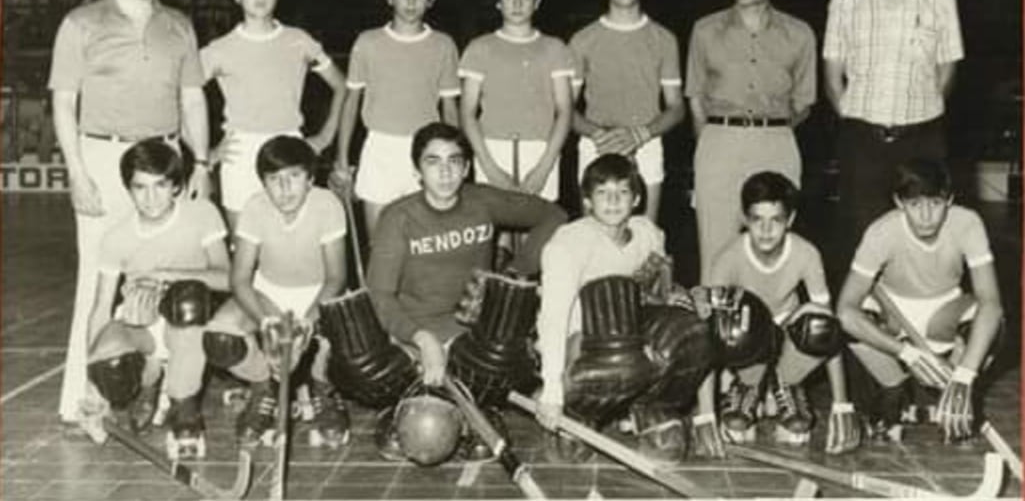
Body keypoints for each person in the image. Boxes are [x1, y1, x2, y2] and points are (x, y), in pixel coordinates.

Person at [49, 0, 211, 425]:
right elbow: (63, 102)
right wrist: (76, 172)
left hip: (165, 162)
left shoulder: (180, 25)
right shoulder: (81, 22)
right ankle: (83, 398)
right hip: (102, 158)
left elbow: (192, 99)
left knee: (170, 281)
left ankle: (166, 396)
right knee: (97, 281)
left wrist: (201, 163)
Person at [350, 122, 566, 461]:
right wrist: (421, 339)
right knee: (363, 366)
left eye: (454, 161)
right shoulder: (398, 217)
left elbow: (553, 215)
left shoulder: (481, 201)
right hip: (413, 337)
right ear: (417, 169)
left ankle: (471, 405)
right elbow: (379, 295)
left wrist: (511, 275)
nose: (445, 171)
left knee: (505, 347)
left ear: (467, 167)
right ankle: (411, 404)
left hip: (470, 336)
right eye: (433, 161)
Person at [535, 153, 711, 462]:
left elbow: (658, 292)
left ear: (637, 198)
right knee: (611, 311)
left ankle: (650, 407)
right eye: (602, 192)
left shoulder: (648, 234)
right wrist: (552, 391)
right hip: (577, 348)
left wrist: (679, 297)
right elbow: (553, 319)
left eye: (623, 192)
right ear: (587, 201)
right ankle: (581, 412)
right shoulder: (567, 244)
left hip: (627, 343)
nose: (613, 201)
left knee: (691, 331)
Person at [823, 0, 964, 288]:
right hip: (862, 142)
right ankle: (864, 333)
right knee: (861, 243)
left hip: (923, 137)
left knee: (925, 239)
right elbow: (833, 77)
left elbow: (948, 67)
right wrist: (856, 121)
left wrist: (925, 113)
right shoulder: (845, 0)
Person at [691, 171, 859, 458]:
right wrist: (706, 414)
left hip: (787, 333)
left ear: (790, 220)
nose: (766, 230)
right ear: (745, 219)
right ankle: (749, 387)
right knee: (722, 322)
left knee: (819, 321)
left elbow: (830, 331)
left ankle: (787, 385)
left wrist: (842, 404)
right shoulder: (728, 257)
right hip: (748, 337)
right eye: (757, 220)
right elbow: (708, 338)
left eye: (776, 220)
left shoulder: (807, 253)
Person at [837, 159, 1003, 443]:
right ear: (899, 202)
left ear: (949, 199)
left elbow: (991, 302)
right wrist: (906, 353)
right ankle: (892, 389)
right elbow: (845, 311)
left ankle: (953, 390)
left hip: (943, 314)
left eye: (935, 203)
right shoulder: (881, 232)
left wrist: (965, 374)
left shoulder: (967, 223)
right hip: (893, 318)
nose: (926, 216)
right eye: (915, 205)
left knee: (993, 324)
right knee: (853, 318)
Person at [84, 139, 229, 459]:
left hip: (191, 318)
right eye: (140, 188)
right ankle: (149, 385)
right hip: (142, 321)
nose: (150, 198)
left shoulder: (202, 214)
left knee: (187, 302)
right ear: (129, 189)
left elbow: (228, 277)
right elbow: (99, 310)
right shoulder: (116, 237)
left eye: (160, 186)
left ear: (176, 186)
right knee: (109, 360)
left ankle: (185, 413)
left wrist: (167, 275)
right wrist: (93, 390)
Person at [202, 136, 350, 450]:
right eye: (274, 179)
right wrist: (268, 324)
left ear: (310, 178)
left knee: (350, 338)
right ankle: (262, 389)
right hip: (269, 294)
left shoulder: (327, 204)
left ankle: (324, 392)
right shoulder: (255, 207)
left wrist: (303, 326)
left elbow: (336, 278)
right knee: (219, 337)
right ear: (263, 183)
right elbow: (240, 279)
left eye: (294, 177)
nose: (284, 189)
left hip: (318, 295)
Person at [685, 0, 815, 282]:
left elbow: (804, 102)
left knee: (772, 248)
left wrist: (771, 130)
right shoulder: (705, 30)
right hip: (719, 143)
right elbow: (695, 97)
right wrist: (709, 145)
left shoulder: (800, 34)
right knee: (716, 250)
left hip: (776, 141)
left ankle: (771, 328)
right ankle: (716, 329)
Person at [200, 0, 346, 230]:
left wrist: (325, 138)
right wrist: (205, 153)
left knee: (293, 238)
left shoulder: (299, 40)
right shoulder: (218, 50)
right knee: (244, 244)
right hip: (240, 153)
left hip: (290, 145)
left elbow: (341, 85)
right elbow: (181, 97)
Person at [330, 0, 460, 236]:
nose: (411, 0)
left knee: (424, 243)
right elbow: (351, 101)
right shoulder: (368, 42)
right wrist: (342, 159)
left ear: (431, 0)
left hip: (427, 151)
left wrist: (455, 155)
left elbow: (450, 106)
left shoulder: (443, 44)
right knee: (380, 242)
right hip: (380, 148)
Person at [569, 0, 685, 222]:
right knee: (591, 236)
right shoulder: (582, 40)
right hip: (596, 143)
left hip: (646, 143)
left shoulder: (664, 39)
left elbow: (677, 107)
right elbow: (566, 109)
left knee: (645, 236)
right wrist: (599, 135)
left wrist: (641, 134)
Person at [459, 0, 574, 203]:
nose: (518, 3)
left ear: (537, 2)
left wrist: (544, 168)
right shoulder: (480, 48)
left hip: (541, 150)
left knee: (537, 234)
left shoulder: (555, 48)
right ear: (498, 2)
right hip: (491, 149)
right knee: (496, 235)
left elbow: (564, 111)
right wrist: (488, 167)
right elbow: (467, 112)